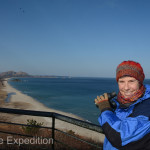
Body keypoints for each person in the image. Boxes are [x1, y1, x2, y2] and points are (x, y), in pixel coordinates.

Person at [95, 60, 150, 150]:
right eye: (121, 81)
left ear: (140, 82)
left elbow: (118, 137)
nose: (126, 87)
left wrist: (105, 109)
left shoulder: (147, 105)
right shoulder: (121, 102)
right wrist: (111, 107)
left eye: (131, 81)